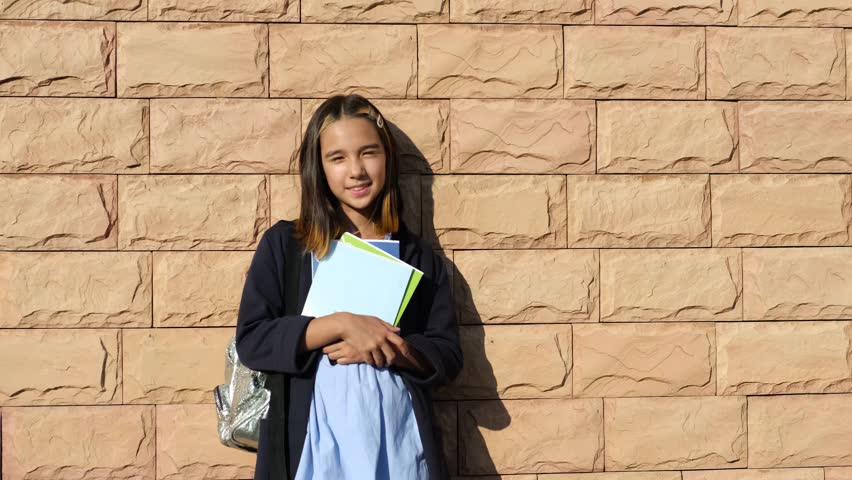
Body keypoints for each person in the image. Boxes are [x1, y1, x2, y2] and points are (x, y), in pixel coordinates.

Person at [234, 93, 463, 480]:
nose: (355, 170)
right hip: (312, 447)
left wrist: (394, 348)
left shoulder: (418, 257)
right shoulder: (287, 246)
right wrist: (340, 324)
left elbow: (447, 356)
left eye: (368, 153)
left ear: (387, 159)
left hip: (396, 442)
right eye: (337, 158)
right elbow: (253, 340)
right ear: (319, 168)